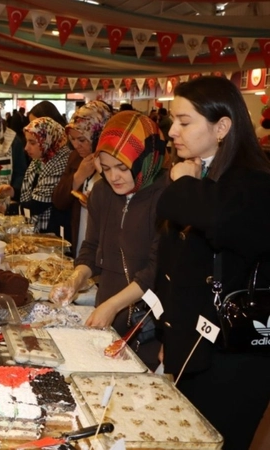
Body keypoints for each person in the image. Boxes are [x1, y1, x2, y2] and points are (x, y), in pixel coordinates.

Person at [154, 76, 270, 450]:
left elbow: (219, 222)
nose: (173, 131)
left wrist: (183, 183)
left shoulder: (254, 181)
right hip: (191, 346)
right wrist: (168, 335)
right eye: (173, 120)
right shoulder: (195, 171)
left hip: (235, 356)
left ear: (221, 127)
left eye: (184, 122)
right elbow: (173, 264)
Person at [50, 111, 167, 369]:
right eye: (106, 168)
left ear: (145, 160)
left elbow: (155, 270)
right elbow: (91, 247)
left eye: (122, 168)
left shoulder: (167, 196)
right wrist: (76, 279)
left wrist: (113, 305)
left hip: (147, 323)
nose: (113, 177)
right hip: (106, 312)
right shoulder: (102, 192)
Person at [52, 101, 113, 254]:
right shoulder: (75, 157)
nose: (76, 145)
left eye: (82, 140)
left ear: (98, 135)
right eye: (72, 139)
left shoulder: (114, 162)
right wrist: (78, 176)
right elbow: (58, 201)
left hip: (104, 245)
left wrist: (96, 202)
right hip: (79, 238)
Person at [21, 117, 71, 235]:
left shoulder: (62, 162)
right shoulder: (40, 159)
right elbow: (33, 190)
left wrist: (7, 208)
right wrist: (13, 191)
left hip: (53, 231)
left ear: (47, 141)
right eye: (27, 141)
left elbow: (39, 204)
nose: (26, 148)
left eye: (32, 142)